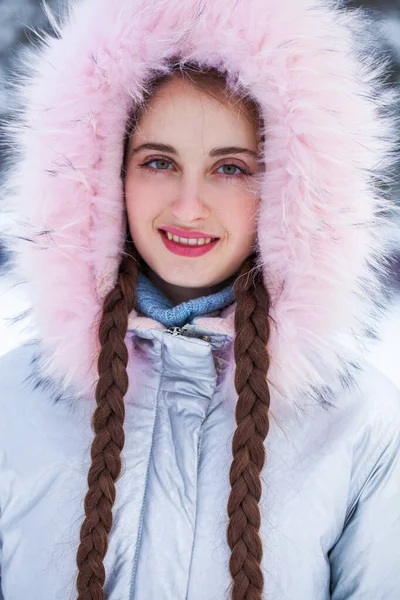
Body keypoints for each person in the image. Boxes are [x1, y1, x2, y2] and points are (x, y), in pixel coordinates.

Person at [0, 0, 399, 599]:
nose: (189, 207)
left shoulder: (359, 422)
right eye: (159, 162)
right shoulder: (16, 403)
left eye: (231, 168)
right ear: (104, 174)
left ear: (293, 185)